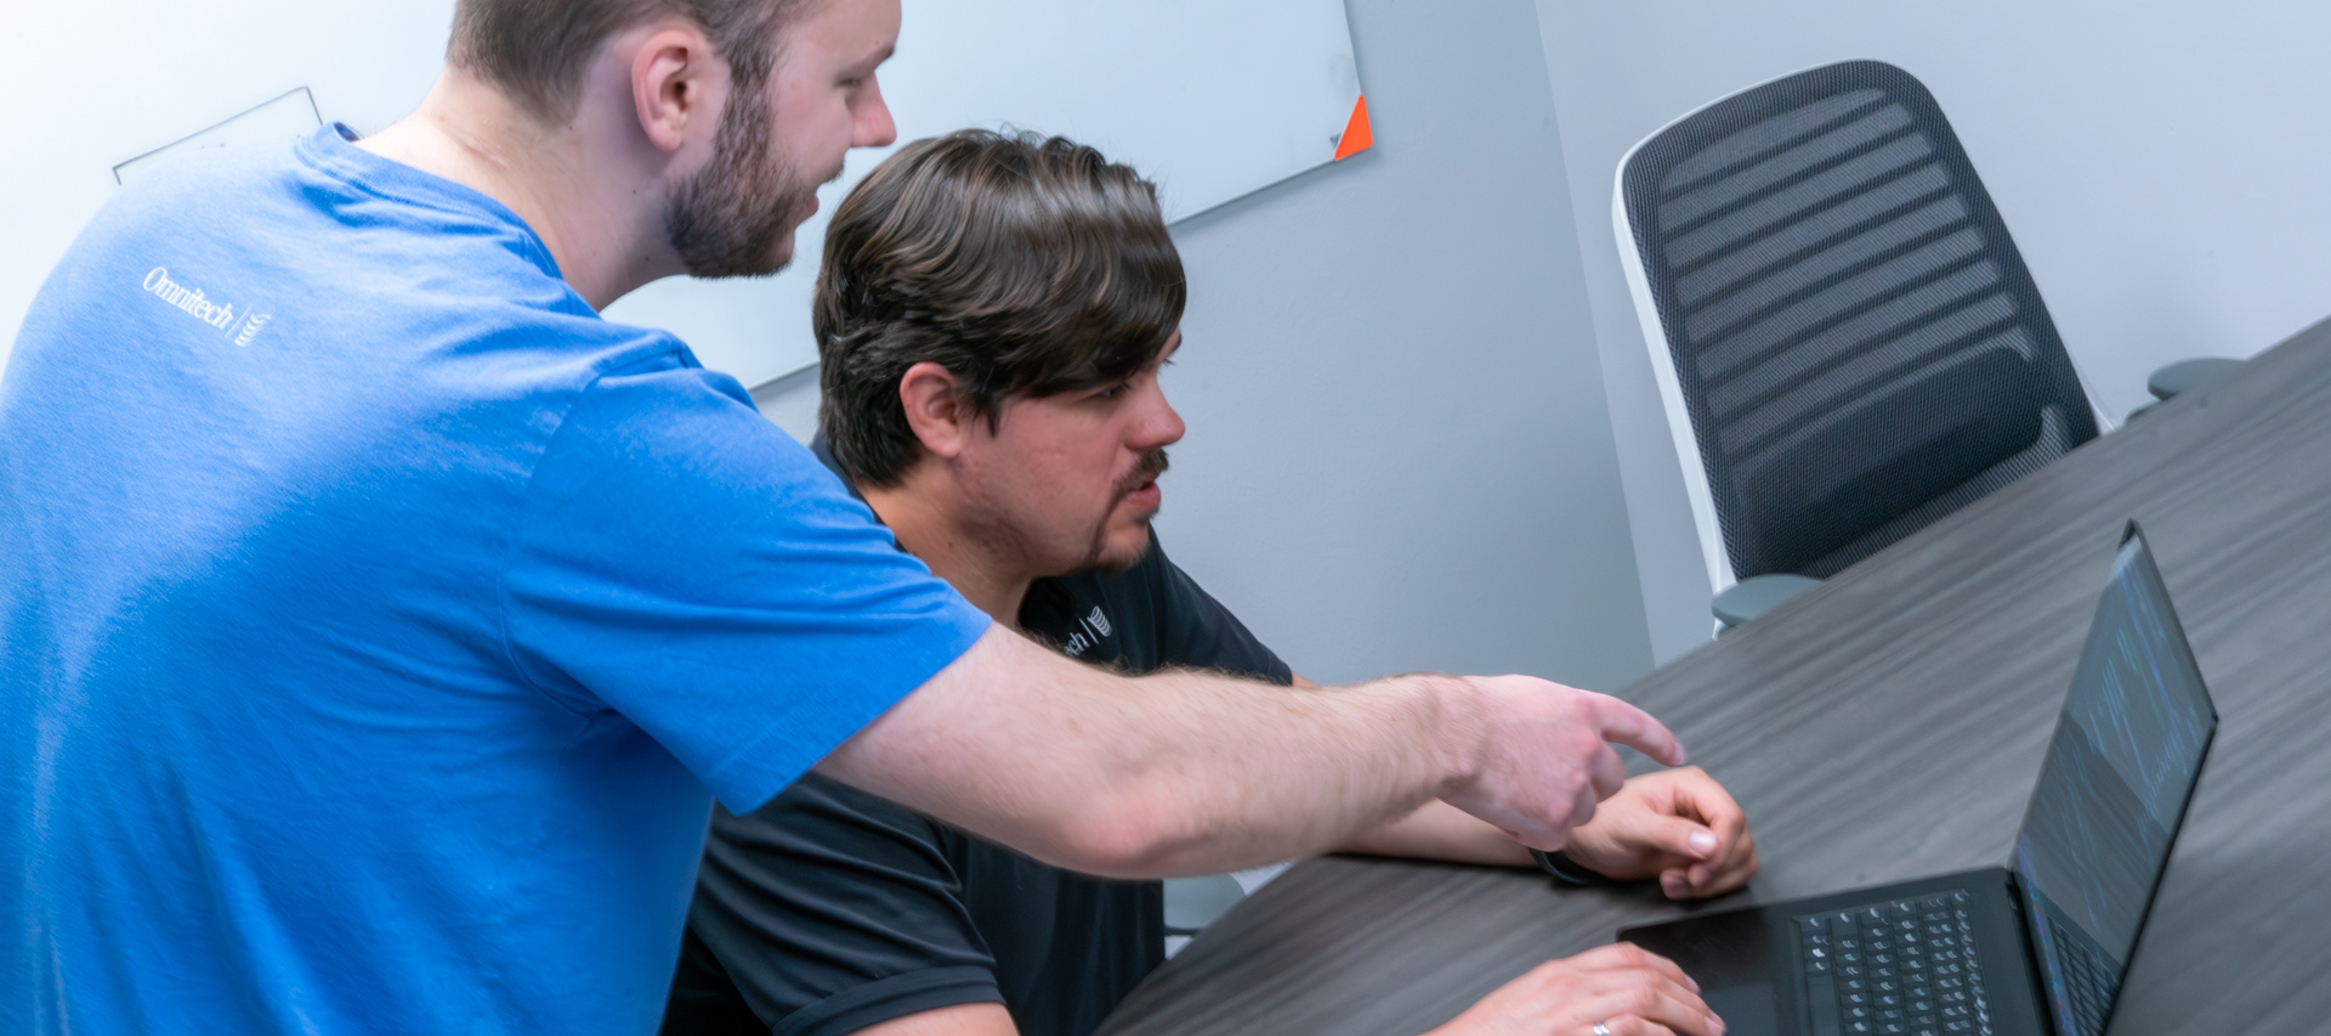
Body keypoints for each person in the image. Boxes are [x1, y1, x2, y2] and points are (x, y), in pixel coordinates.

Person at [0, 1, 1714, 1034]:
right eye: (851, 73)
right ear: (674, 86)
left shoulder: (152, 244)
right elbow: (1116, 788)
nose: (877, 125)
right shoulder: (573, 431)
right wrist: (1466, 727)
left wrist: (1538, 811)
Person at [663, 130, 1759, 1036]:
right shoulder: (791, 716)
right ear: (941, 410)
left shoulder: (1069, 544)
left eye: (1160, 367)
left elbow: (1299, 747)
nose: (1165, 423)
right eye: (1106, 389)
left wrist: (1565, 824)